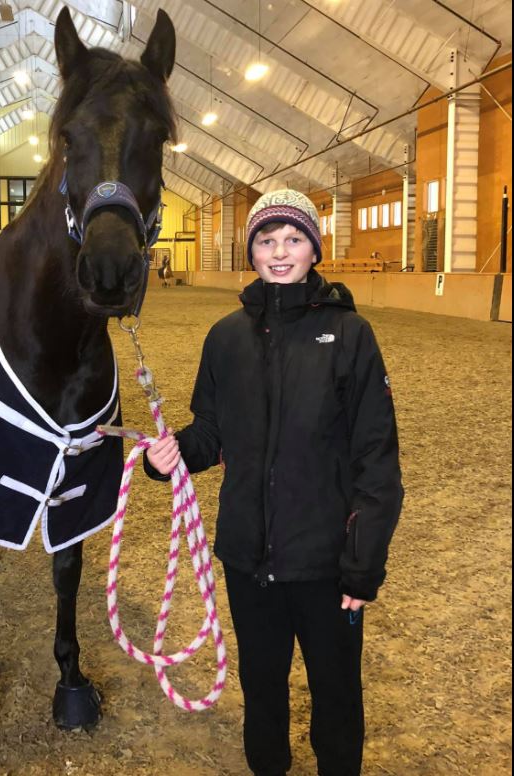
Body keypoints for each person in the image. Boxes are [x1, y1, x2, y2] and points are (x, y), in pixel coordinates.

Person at [145, 189, 403, 776]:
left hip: (327, 564)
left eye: (293, 239)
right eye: (266, 240)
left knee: (336, 695)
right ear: (251, 251)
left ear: (315, 248)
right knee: (262, 690)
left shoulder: (351, 335)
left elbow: (377, 460)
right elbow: (212, 432)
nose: (279, 252)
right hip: (247, 559)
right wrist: (171, 456)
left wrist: (362, 564)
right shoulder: (225, 338)